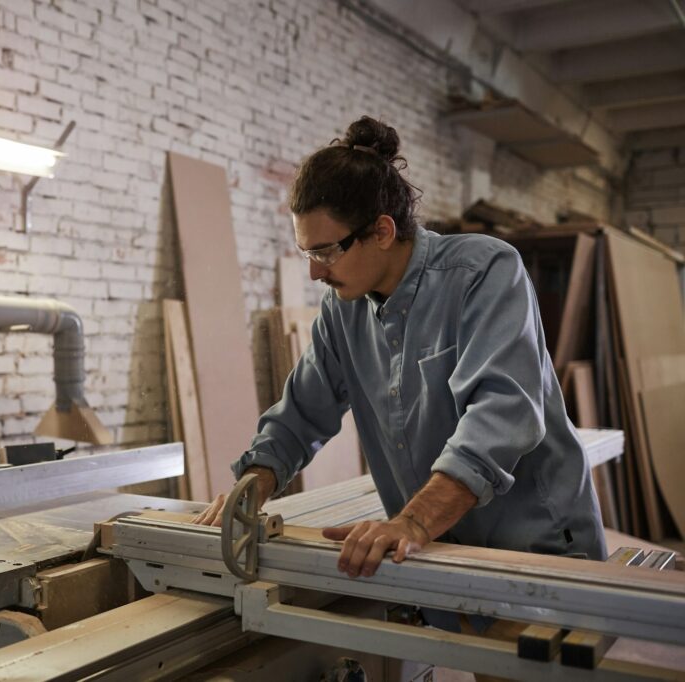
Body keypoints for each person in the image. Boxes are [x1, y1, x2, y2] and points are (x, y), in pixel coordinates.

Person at [193, 116, 606, 632]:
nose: (314, 271)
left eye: (324, 251)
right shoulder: (342, 312)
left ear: (382, 231)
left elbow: (503, 414)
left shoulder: (482, 272)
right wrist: (255, 483)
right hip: (443, 551)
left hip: (532, 548)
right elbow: (302, 411)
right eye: (306, 252)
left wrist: (411, 521)